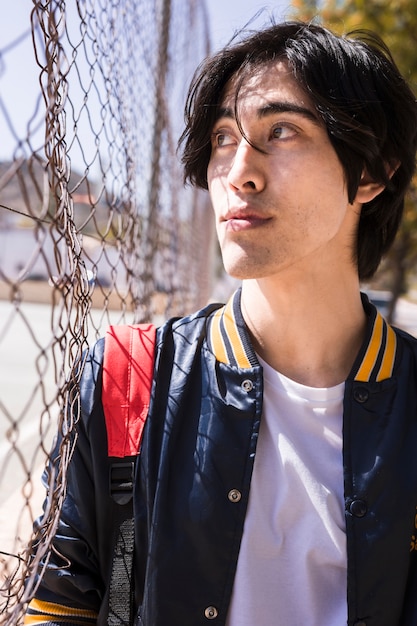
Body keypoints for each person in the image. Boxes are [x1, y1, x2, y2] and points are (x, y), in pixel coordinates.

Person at [24, 19, 417, 626]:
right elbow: (58, 601)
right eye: (224, 137)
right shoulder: (129, 375)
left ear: (371, 173)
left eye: (281, 131)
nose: (238, 172)